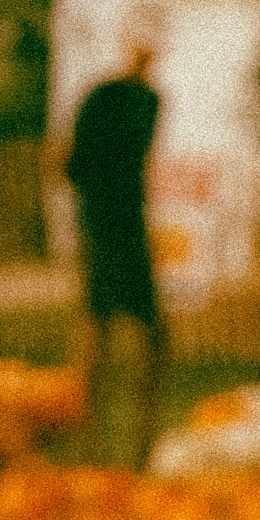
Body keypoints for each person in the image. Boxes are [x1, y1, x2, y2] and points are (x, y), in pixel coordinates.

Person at [55, 23, 165, 470]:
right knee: (105, 332)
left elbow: (69, 164)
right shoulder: (132, 101)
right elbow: (76, 162)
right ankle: (97, 441)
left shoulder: (135, 101)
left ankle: (131, 441)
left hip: (114, 224)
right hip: (111, 225)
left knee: (127, 332)